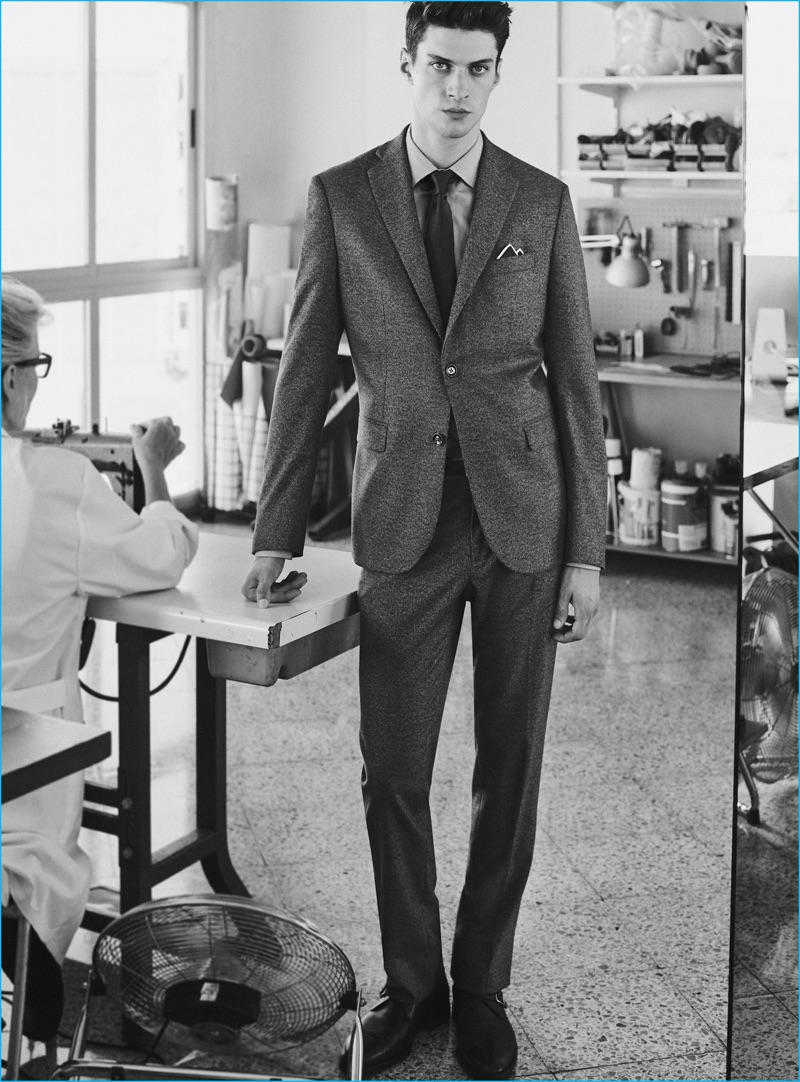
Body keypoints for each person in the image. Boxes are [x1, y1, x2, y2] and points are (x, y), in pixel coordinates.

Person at [242, 4, 606, 1077]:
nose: (456, 89)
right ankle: (413, 985)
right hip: (401, 523)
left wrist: (587, 550)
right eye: (439, 65)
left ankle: (480, 984)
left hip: (523, 518)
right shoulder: (340, 198)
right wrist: (273, 529)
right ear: (408, 63)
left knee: (511, 763)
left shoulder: (540, 200)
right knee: (392, 770)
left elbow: (576, 383)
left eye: (477, 69)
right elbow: (304, 371)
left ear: (497, 74)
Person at [1, 275, 199, 1042]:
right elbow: (162, 553)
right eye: (35, 367)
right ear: (12, 378)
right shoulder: (54, 481)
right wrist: (154, 468)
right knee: (29, 871)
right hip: (19, 831)